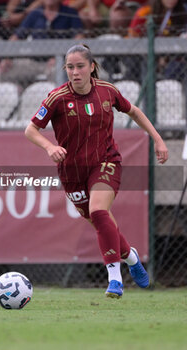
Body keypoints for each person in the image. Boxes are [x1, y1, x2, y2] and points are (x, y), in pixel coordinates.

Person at [25, 44, 168, 299]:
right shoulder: (57, 98)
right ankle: (132, 258)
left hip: (106, 162)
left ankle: (114, 280)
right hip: (72, 173)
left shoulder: (107, 91)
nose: (75, 72)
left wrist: (157, 139)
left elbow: (133, 111)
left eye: (80, 66)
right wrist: (49, 147)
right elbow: (31, 129)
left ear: (92, 67)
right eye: (70, 67)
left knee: (99, 211)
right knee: (102, 224)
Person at [0, 0, 84, 87]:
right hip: (33, 62)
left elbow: (79, 40)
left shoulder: (70, 13)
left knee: (60, 73)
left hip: (59, 62)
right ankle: (19, 97)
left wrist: (62, 58)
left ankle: (59, 99)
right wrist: (6, 58)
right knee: (4, 71)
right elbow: (16, 37)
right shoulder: (35, 14)